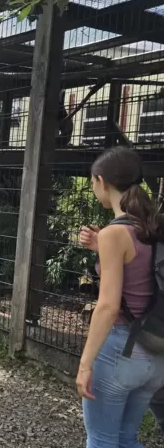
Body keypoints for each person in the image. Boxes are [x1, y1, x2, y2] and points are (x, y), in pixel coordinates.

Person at [77, 147, 164, 448]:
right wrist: (100, 248)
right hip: (155, 354)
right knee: (127, 438)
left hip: (122, 351)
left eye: (92, 182)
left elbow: (108, 305)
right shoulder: (153, 225)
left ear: (102, 182)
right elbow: (141, 270)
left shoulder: (115, 234)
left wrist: (85, 363)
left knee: (101, 440)